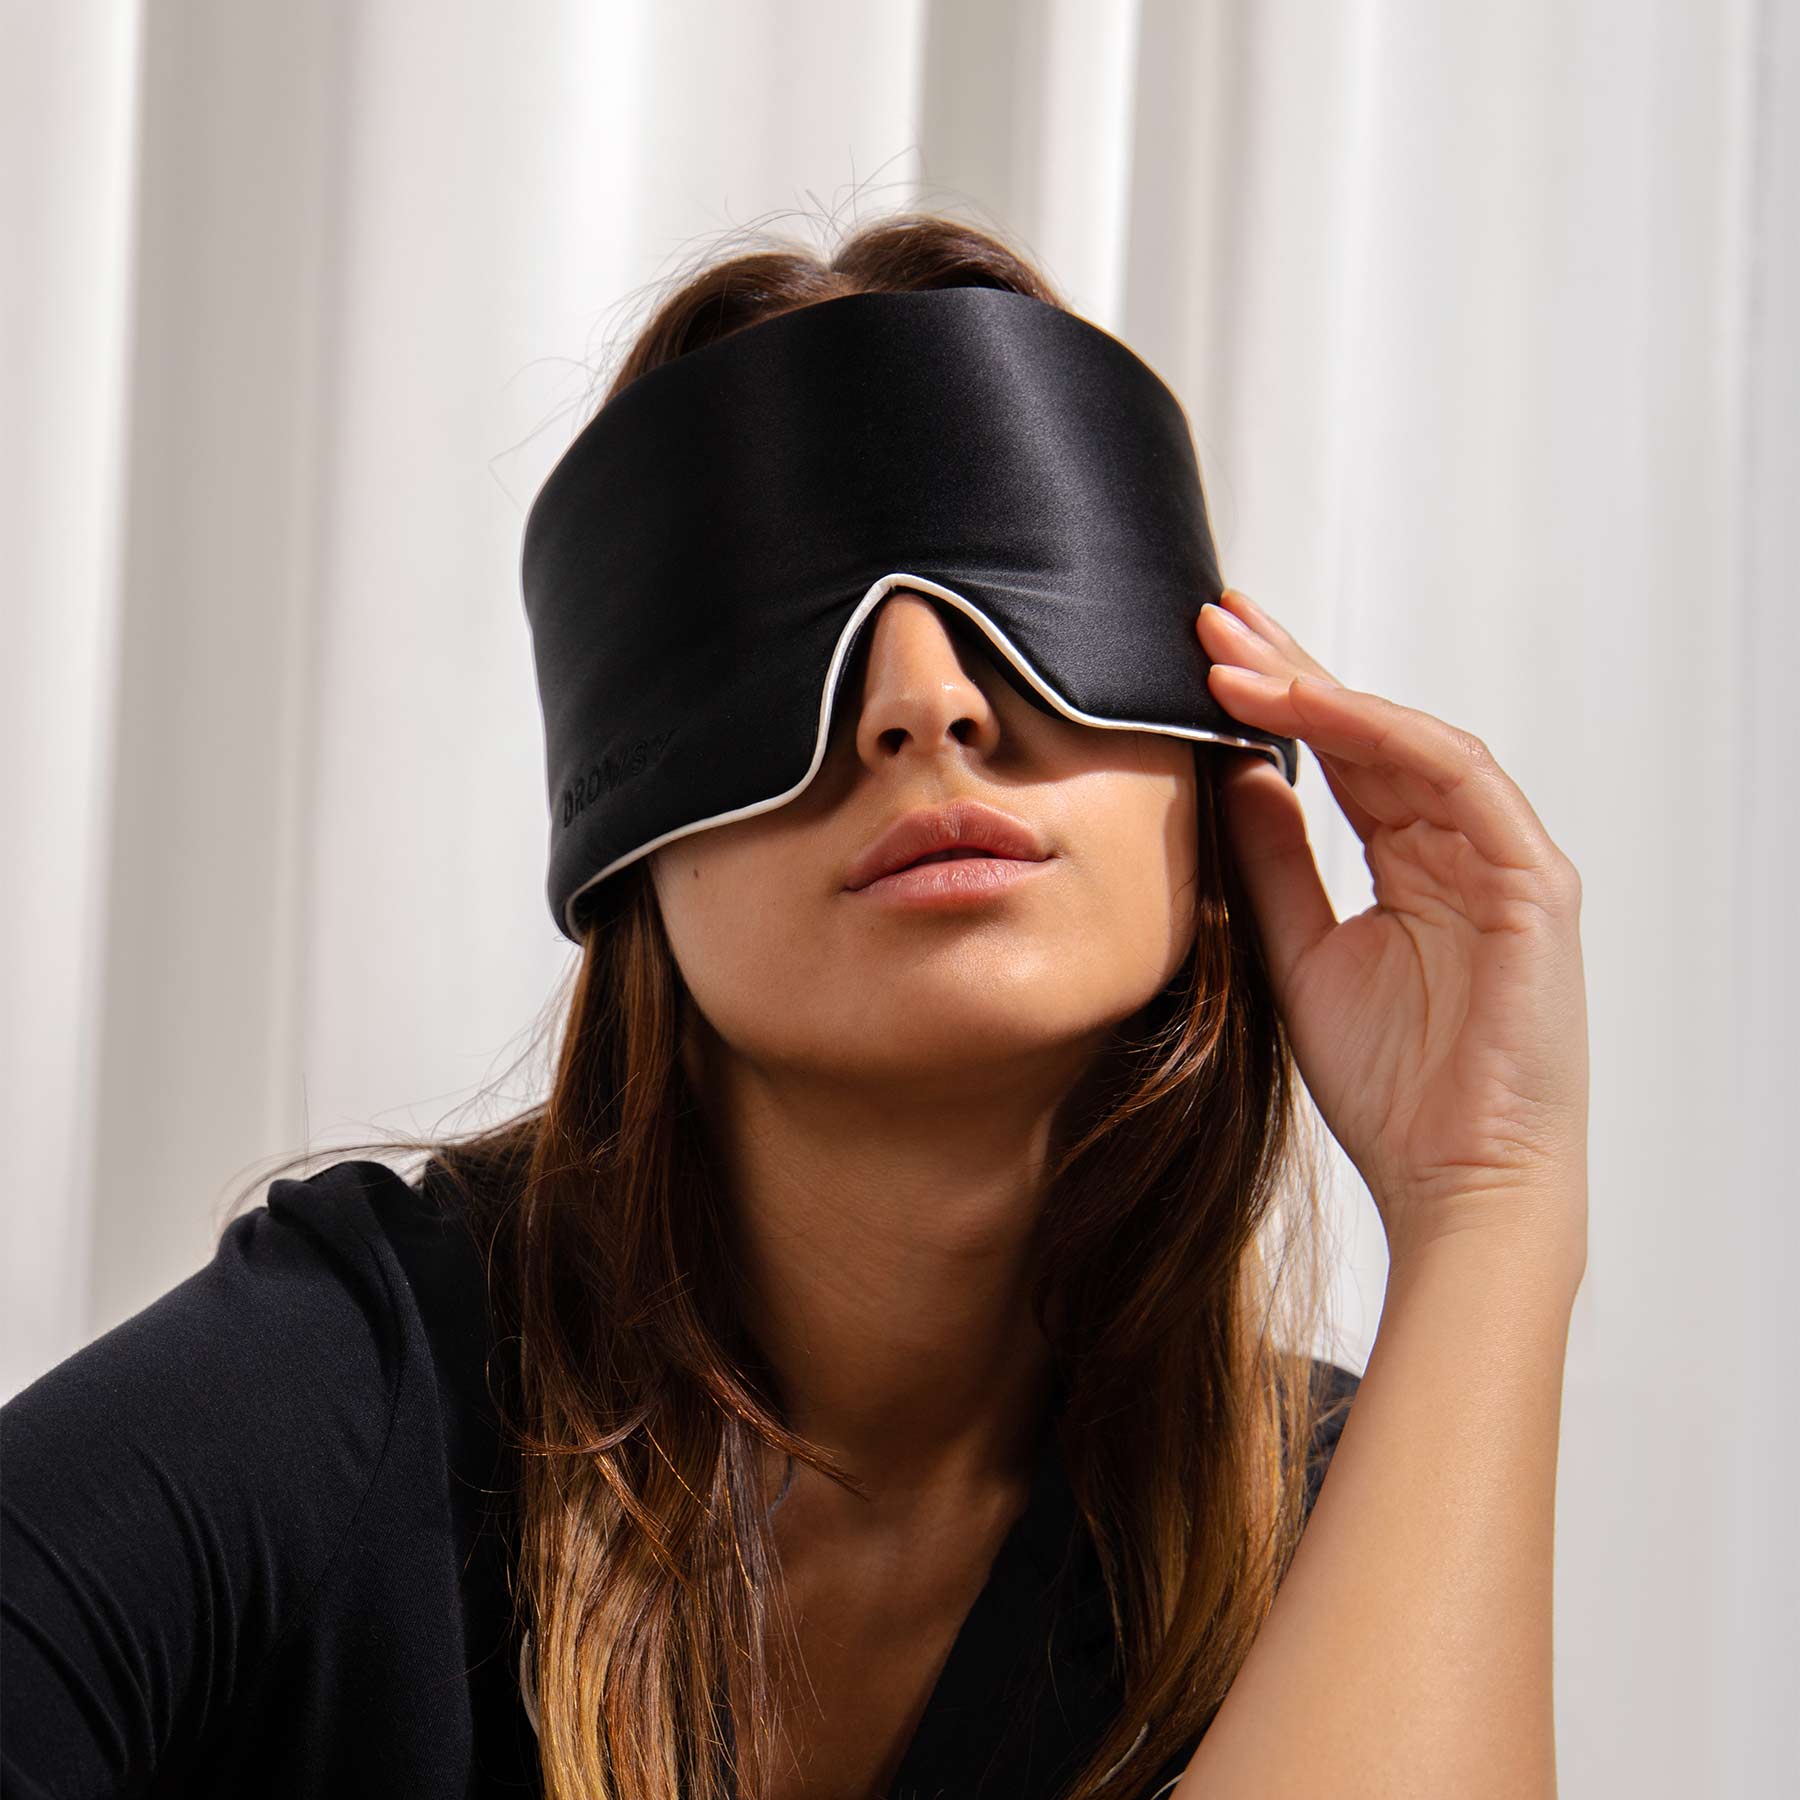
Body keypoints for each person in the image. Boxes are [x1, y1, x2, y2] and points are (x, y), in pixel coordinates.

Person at [0, 213, 1587, 1800]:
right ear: (628, 855)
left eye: (1026, 601)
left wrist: (1488, 1205)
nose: (925, 705)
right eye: (783, 638)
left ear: (1222, 749)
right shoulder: (359, 1389)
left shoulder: (1300, 1521)